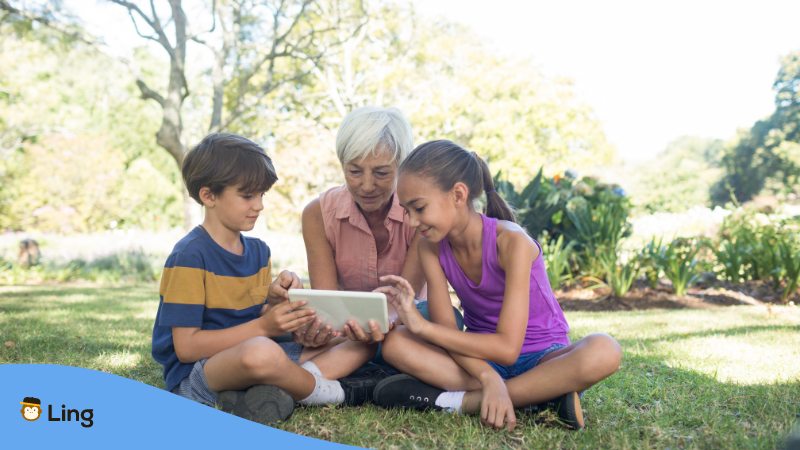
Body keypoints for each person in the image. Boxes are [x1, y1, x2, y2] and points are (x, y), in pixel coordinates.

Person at [372, 140, 622, 431]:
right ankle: (542, 396)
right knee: (395, 344)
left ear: (458, 194)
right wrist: (488, 377)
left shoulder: (512, 243)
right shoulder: (430, 247)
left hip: (543, 358)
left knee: (605, 349)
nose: (413, 221)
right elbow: (448, 335)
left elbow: (507, 349)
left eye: (419, 208)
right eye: (407, 211)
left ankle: (463, 402)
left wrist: (421, 326)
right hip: (478, 361)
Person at [151, 133, 376, 425]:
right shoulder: (190, 256)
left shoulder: (258, 252)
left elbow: (251, 316)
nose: (258, 205)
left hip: (255, 352)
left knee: (359, 339)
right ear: (209, 196)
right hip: (197, 372)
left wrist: (276, 302)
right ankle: (330, 393)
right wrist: (265, 325)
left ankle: (269, 390)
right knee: (261, 352)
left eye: (261, 195)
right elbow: (187, 347)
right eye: (247, 196)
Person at [298, 107, 463, 402]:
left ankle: (316, 382)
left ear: (401, 167)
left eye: (382, 172)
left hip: (407, 326)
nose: (367, 185)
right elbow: (327, 302)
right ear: (342, 165)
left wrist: (367, 329)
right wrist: (319, 328)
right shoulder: (317, 214)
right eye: (354, 171)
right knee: (312, 341)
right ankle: (378, 378)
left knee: (418, 331)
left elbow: (402, 301)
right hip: (348, 331)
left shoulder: (422, 215)